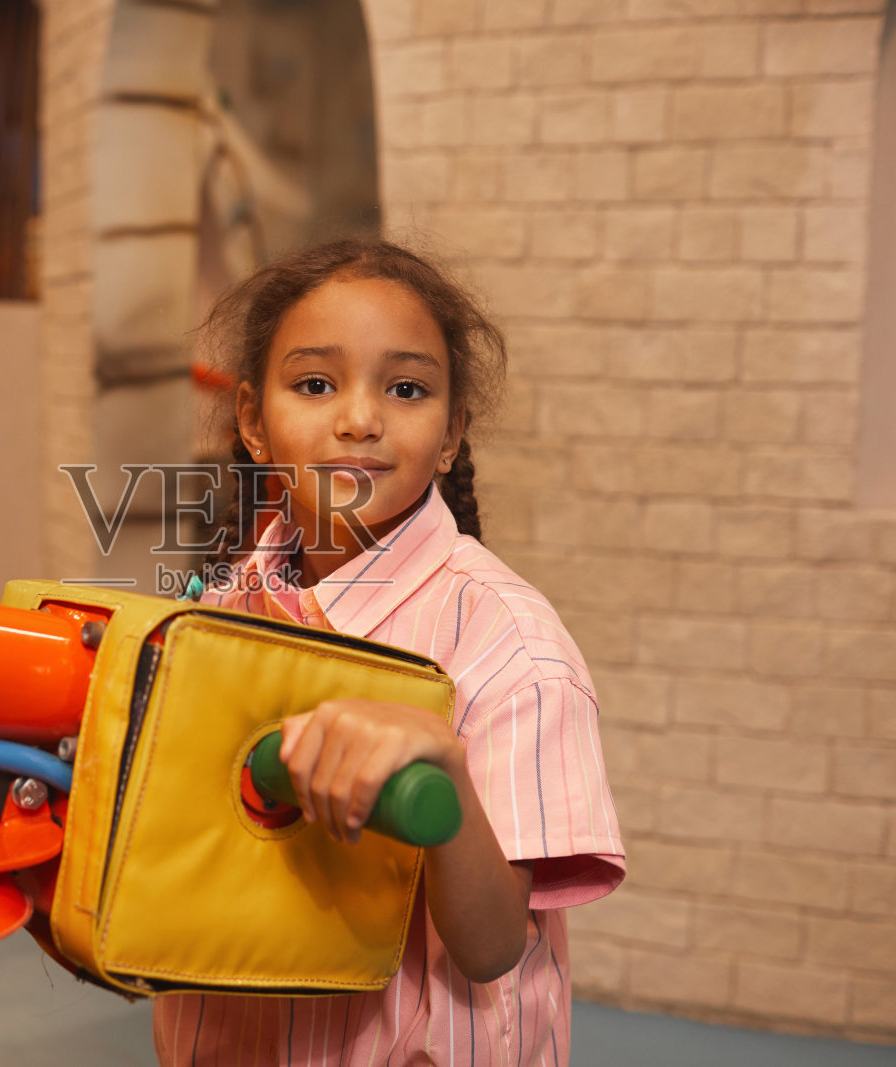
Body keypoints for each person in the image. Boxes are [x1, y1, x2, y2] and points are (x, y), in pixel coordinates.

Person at [153, 239, 626, 1066]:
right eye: (315, 383)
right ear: (254, 424)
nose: (360, 417)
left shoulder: (506, 639)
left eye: (406, 388)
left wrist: (438, 775)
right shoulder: (220, 609)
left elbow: (491, 946)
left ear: (450, 436)